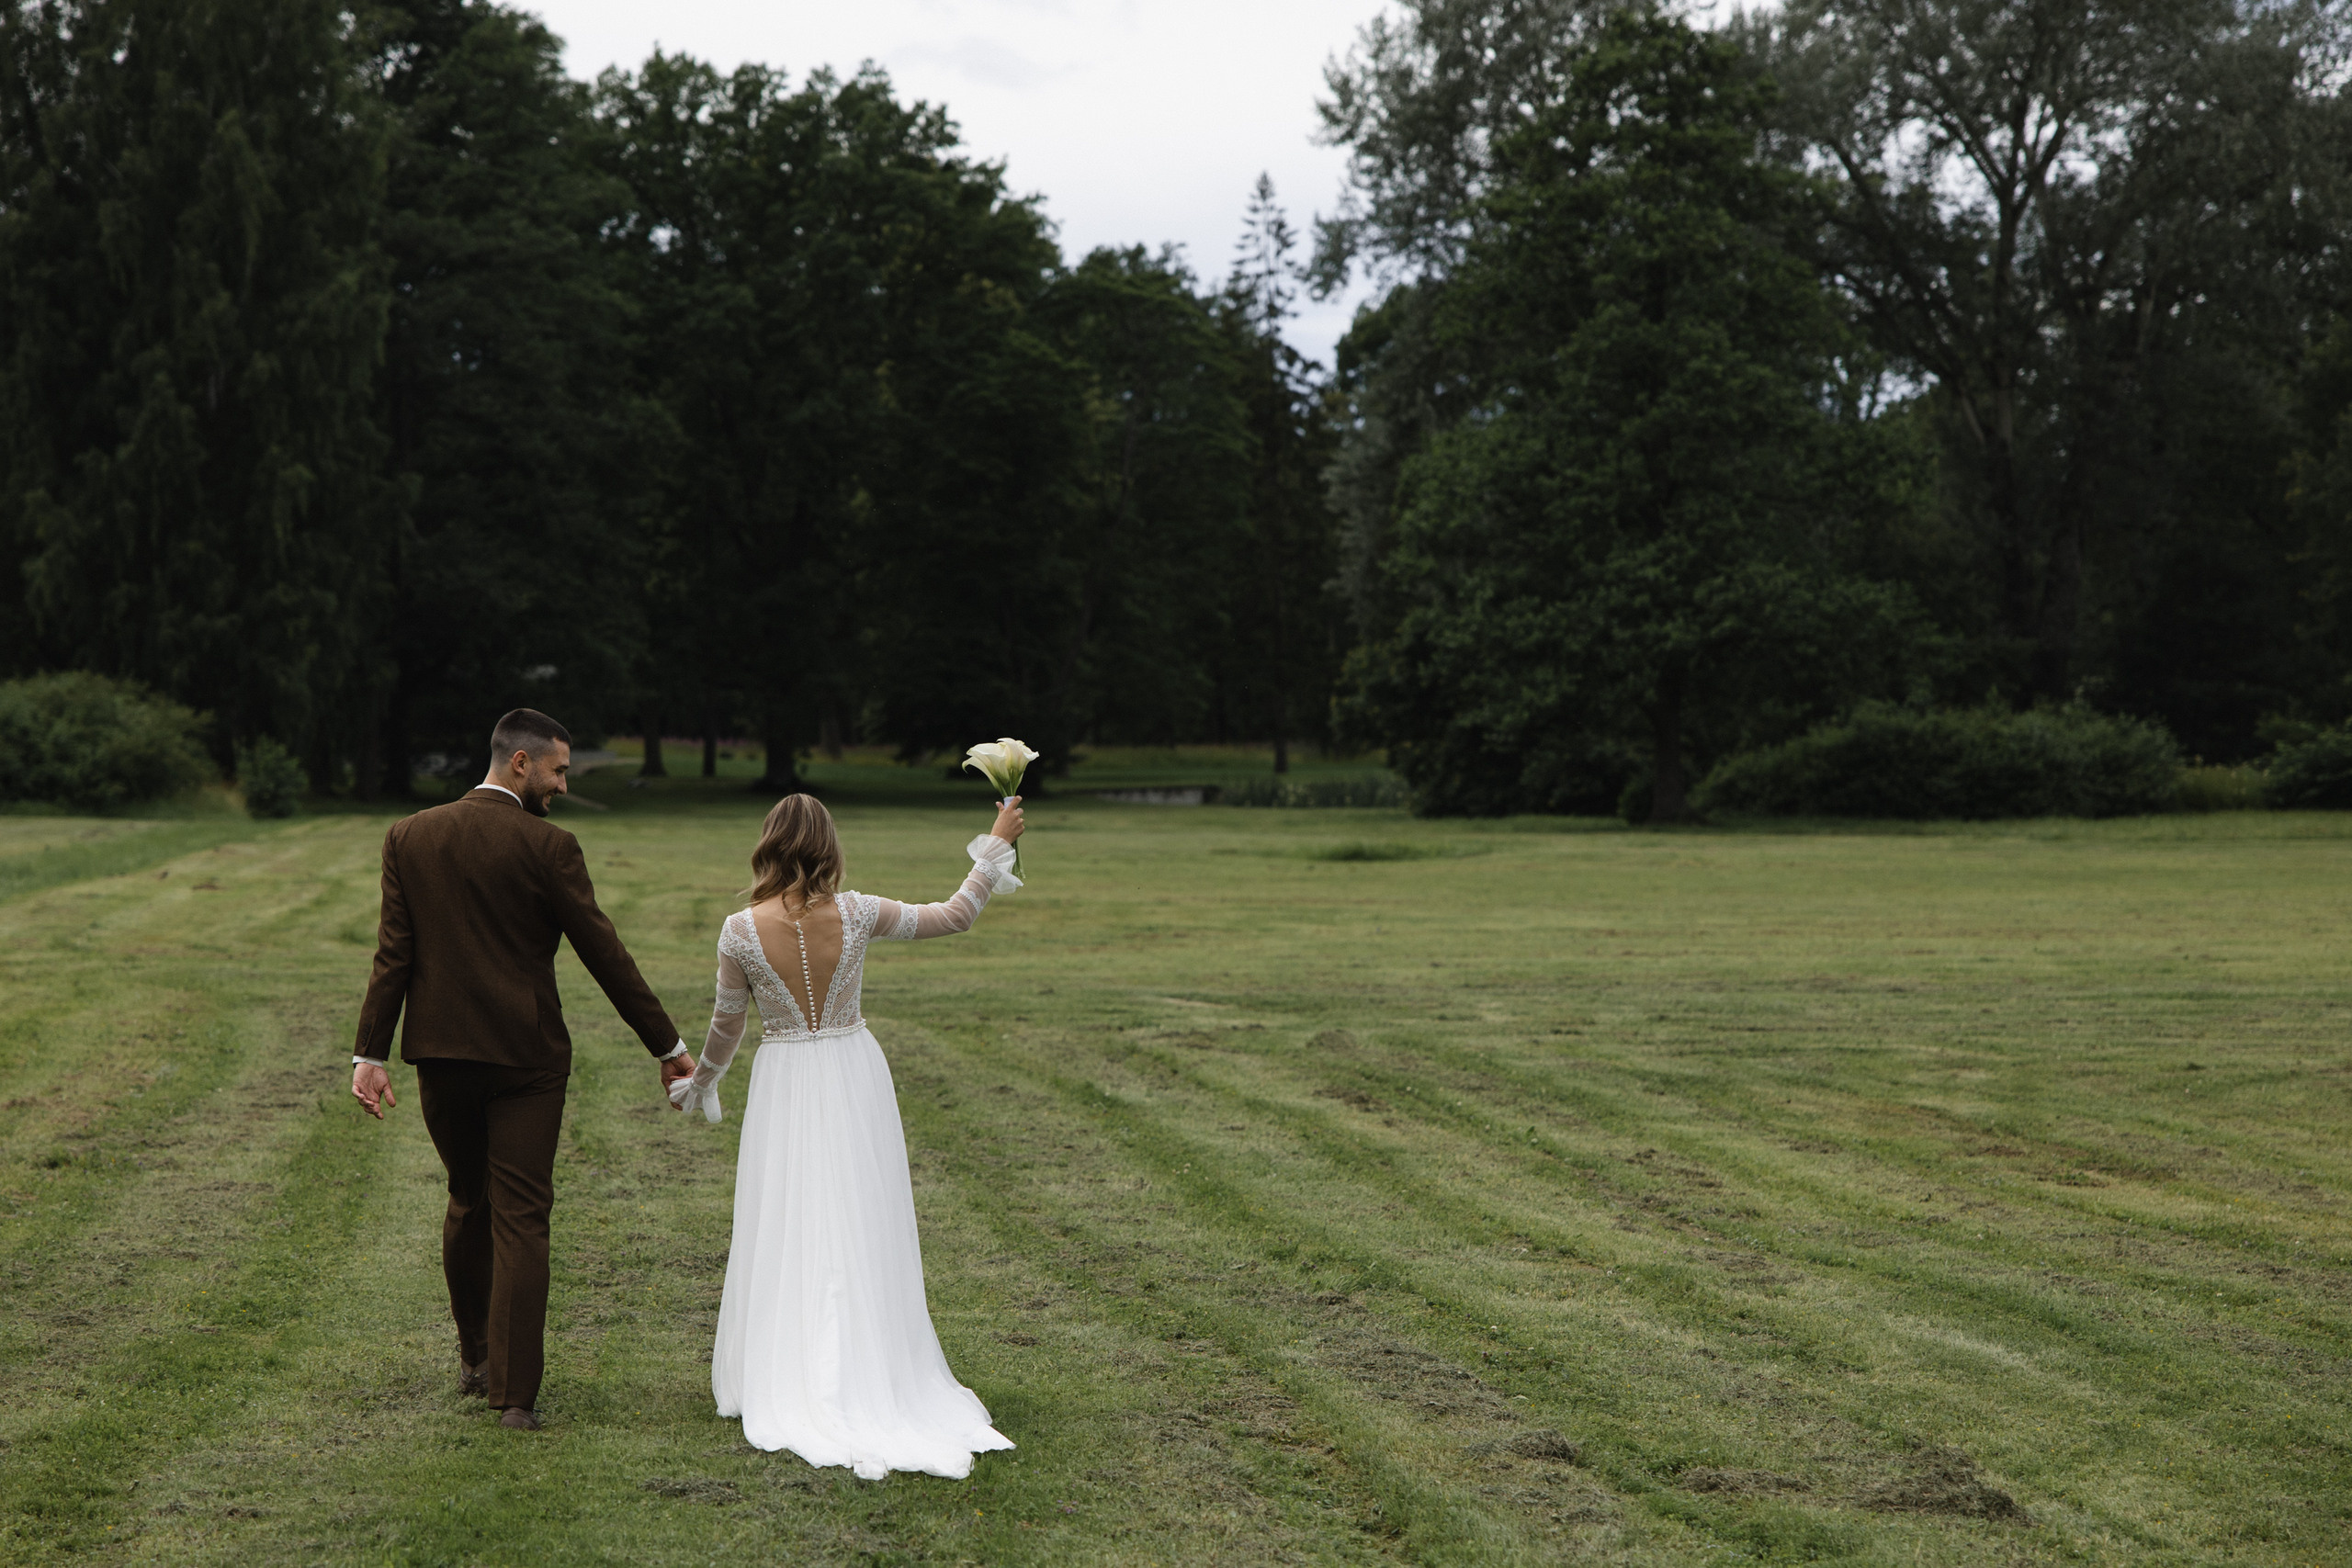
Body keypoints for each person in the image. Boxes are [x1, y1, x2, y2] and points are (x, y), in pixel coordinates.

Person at [349, 707, 695, 1431]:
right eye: (559, 769)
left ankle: (476, 1356)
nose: (564, 784)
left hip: (440, 1053)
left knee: (467, 1200)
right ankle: (514, 1398)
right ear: (520, 764)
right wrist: (666, 1047)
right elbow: (606, 954)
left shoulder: (409, 836)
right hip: (527, 1062)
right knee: (522, 1217)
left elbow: (394, 955)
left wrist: (370, 1054)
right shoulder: (550, 847)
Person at [670, 792, 1023, 1479]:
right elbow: (956, 915)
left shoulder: (740, 930)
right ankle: (866, 1364)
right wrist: (996, 842)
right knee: (859, 1218)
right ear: (829, 848)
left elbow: (725, 1026)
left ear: (768, 845)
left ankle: (800, 1367)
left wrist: (701, 1084)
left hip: (786, 1078)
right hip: (853, 1071)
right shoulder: (857, 912)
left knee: (791, 1219)